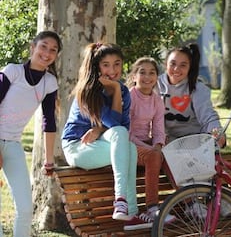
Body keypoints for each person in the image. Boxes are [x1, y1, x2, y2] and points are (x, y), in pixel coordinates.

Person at [61, 42, 150, 231]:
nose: (113, 70)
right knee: (126, 142)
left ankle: (129, 211)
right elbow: (115, 123)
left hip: (100, 141)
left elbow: (122, 127)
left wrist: (99, 129)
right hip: (77, 146)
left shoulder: (124, 91)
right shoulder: (88, 90)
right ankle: (122, 202)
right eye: (106, 64)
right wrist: (115, 91)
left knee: (130, 146)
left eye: (117, 64)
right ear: (97, 67)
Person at [0, 31, 62, 237]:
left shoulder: (49, 82)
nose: (47, 53)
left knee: (26, 208)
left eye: (53, 50)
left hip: (13, 144)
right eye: (43, 46)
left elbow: (49, 122)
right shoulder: (13, 71)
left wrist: (49, 160)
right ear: (32, 47)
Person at [127, 57, 176, 224]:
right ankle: (152, 208)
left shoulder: (156, 99)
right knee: (154, 156)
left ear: (157, 77)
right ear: (134, 76)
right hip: (129, 145)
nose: (147, 77)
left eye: (152, 73)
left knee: (170, 151)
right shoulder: (129, 97)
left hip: (146, 143)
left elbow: (158, 129)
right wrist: (151, 150)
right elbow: (125, 132)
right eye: (142, 72)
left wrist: (158, 145)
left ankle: (189, 201)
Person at [157, 43, 226, 147]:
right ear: (165, 63)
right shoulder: (155, 84)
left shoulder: (198, 88)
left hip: (194, 140)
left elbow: (207, 115)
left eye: (183, 65)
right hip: (166, 140)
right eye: (173, 64)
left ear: (190, 67)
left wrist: (216, 131)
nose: (176, 69)